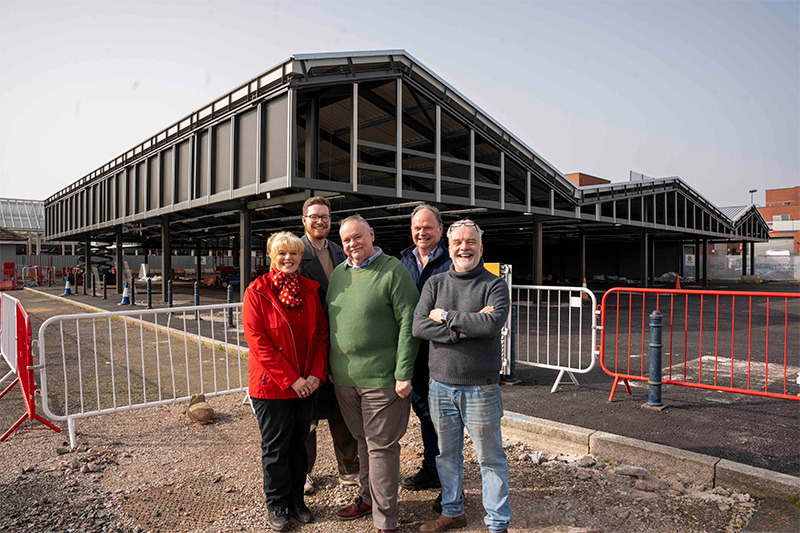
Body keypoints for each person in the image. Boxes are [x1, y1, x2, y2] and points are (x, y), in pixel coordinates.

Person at [412, 220, 512, 533]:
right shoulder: (435, 283)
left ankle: (497, 523)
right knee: (447, 456)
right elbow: (418, 327)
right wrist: (463, 331)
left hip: (480, 389)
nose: (464, 247)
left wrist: (444, 316)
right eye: (458, 242)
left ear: (481, 248)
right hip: (440, 386)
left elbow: (490, 325)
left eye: (471, 242)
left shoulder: (494, 285)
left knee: (490, 458)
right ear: (449, 245)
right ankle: (453, 511)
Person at [327, 215, 420, 533]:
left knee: (381, 448)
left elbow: (410, 322)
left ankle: (386, 521)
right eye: (346, 240)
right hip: (345, 379)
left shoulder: (393, 271)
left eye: (357, 237)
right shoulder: (339, 274)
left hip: (382, 378)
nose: (352, 244)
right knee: (363, 442)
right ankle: (367, 499)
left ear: (371, 235)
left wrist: (403, 372)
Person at [242, 231, 329, 532]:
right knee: (276, 448)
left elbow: (320, 334)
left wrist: (315, 375)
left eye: (294, 253)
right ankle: (277, 504)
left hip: (306, 385)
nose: (288, 259)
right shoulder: (257, 291)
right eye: (282, 253)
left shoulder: (310, 290)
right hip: (273, 387)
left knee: (298, 445)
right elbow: (258, 341)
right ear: (271, 256)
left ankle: (297, 501)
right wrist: (292, 379)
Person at [298, 196, 360, 495]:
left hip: (340, 342)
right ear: (304, 220)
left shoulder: (340, 251)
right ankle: (304, 472)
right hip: (308, 345)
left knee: (342, 411)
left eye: (324, 216)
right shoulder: (295, 251)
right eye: (314, 217)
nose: (320, 221)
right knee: (307, 416)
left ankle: (349, 470)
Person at [399, 205, 452, 503]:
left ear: (440, 229)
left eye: (428, 227)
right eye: (417, 228)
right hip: (414, 355)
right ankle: (431, 468)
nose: (422, 232)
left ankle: (449, 485)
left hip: (442, 354)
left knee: (444, 419)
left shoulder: (451, 261)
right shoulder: (403, 260)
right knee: (425, 415)